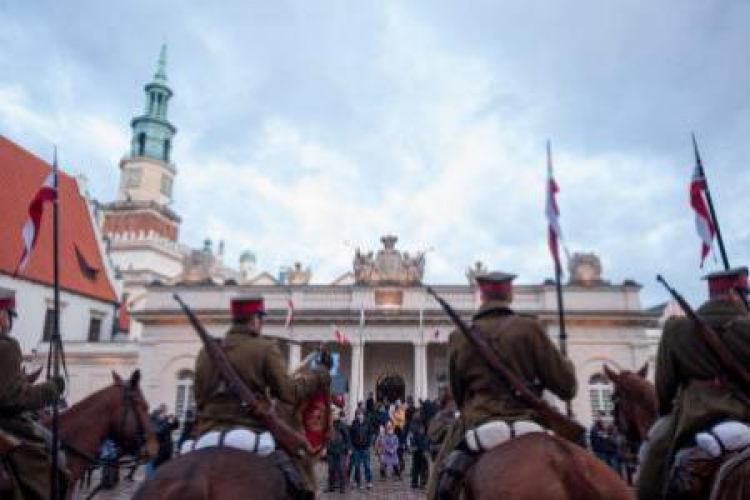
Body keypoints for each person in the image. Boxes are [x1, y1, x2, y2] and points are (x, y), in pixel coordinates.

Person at [430, 271, 577, 499]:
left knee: (439, 479)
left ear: (481, 296)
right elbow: (567, 387)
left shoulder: (460, 337)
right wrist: (566, 362)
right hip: (530, 420)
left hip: (480, 421)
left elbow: (458, 395)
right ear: (510, 294)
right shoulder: (530, 329)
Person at [193, 295, 331, 499]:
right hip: (251, 432)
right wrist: (319, 374)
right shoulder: (264, 348)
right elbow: (289, 393)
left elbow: (199, 399)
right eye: (261, 318)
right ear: (256, 319)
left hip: (206, 435)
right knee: (301, 478)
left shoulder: (207, 352)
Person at [636, 267, 750, 500]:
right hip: (745, 412)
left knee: (655, 455)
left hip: (694, 416)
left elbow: (664, 388)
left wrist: (667, 409)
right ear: (736, 293)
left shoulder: (676, 329)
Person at [0, 287, 64, 499]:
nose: (10, 322)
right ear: (2, 315)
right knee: (48, 459)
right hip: (5, 422)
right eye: (9, 315)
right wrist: (52, 388)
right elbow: (13, 399)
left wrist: (22, 380)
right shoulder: (7, 346)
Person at [326, 409, 350, 493]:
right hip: (331, 451)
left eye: (335, 414)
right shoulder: (328, 425)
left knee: (341, 469)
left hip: (340, 451)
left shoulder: (342, 425)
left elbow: (347, 439)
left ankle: (342, 487)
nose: (333, 415)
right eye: (332, 414)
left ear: (338, 416)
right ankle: (331, 486)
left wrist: (346, 448)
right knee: (331, 469)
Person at [349, 409, 373, 489]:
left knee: (367, 465)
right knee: (357, 465)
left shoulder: (368, 423)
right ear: (356, 415)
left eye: (361, 414)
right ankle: (357, 481)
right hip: (356, 448)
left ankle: (369, 481)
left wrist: (369, 444)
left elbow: (370, 434)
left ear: (363, 415)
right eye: (358, 414)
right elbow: (350, 436)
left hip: (365, 448)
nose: (360, 416)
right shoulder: (354, 423)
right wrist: (351, 447)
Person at [408, 414, 430, 489]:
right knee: (422, 466)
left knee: (417, 466)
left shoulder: (414, 425)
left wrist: (413, 446)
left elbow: (412, 437)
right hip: (421, 448)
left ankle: (415, 482)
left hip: (418, 448)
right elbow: (426, 438)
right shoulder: (421, 425)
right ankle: (422, 483)